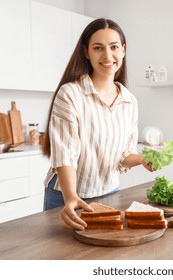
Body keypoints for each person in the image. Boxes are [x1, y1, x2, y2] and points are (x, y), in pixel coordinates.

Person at [42, 18, 154, 230]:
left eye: (113, 47)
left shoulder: (130, 101)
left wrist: (142, 159)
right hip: (66, 196)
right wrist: (71, 197)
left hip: (109, 194)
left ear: (123, 50)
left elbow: (123, 155)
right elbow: (65, 155)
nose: (107, 55)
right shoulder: (70, 94)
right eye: (98, 48)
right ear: (86, 52)